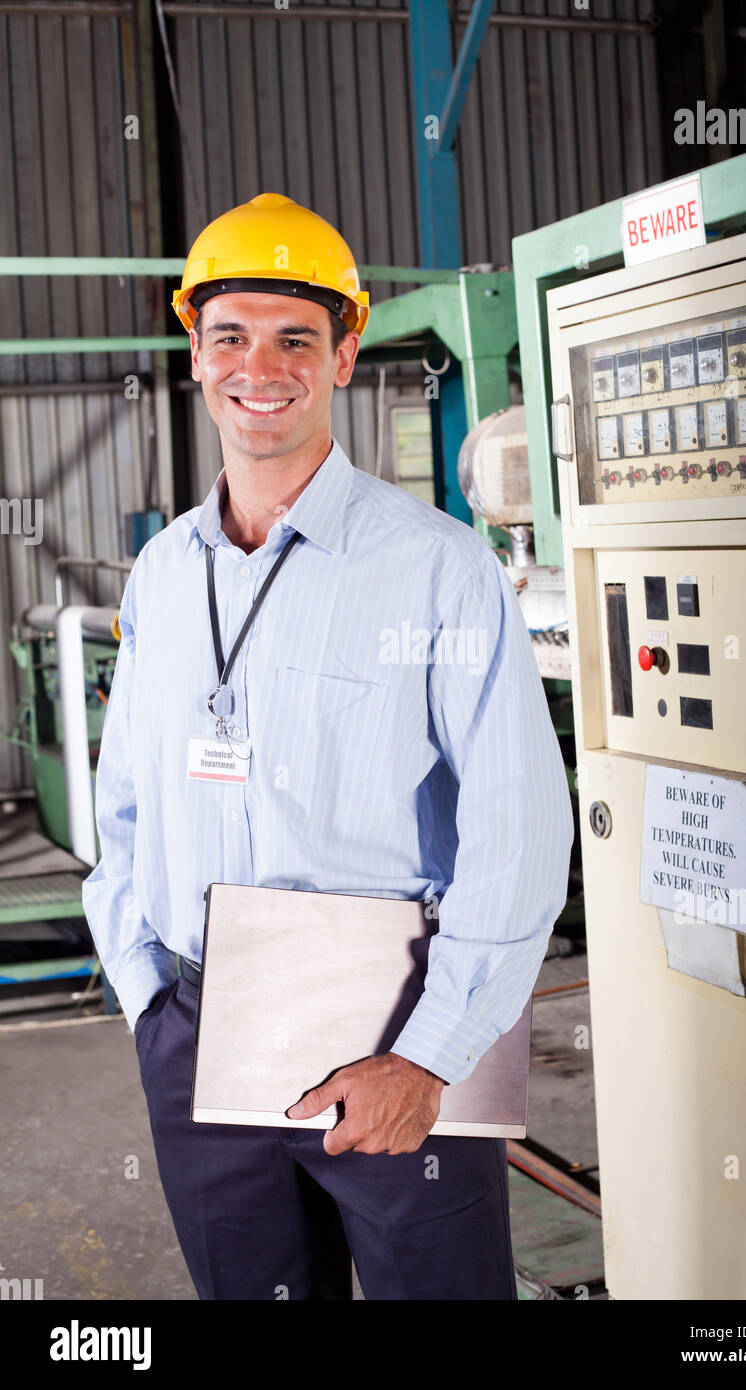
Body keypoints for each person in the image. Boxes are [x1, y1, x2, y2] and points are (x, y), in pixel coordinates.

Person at [82, 192, 574, 1301]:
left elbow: (517, 832)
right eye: (230, 337)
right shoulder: (164, 573)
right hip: (196, 1023)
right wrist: (144, 995)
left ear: (345, 353)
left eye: (295, 337)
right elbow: (124, 807)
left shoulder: (437, 570)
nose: (261, 366)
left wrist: (431, 1052)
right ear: (196, 358)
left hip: (393, 1019)